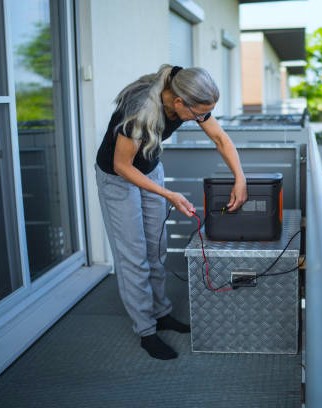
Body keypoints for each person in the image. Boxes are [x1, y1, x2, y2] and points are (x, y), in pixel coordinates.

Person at [95, 65, 247, 360]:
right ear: (178, 103)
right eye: (200, 114)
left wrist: (240, 178)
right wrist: (170, 195)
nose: (203, 119)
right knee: (134, 255)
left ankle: (161, 312)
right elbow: (121, 166)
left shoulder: (183, 89)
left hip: (150, 169)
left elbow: (220, 139)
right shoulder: (139, 109)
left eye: (208, 113)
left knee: (157, 248)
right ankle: (146, 330)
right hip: (118, 178)